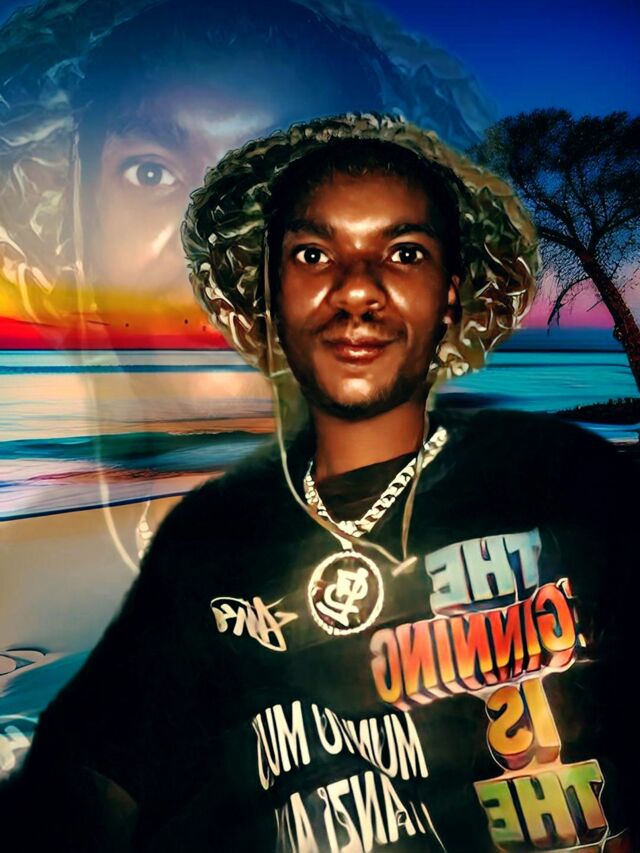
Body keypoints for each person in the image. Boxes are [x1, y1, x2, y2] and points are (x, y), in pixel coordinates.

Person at [3, 113, 634, 852]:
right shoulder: (211, 537)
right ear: (272, 294)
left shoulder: (564, 477)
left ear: (451, 295)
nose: (357, 290)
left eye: (403, 252)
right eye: (313, 253)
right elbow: (94, 771)